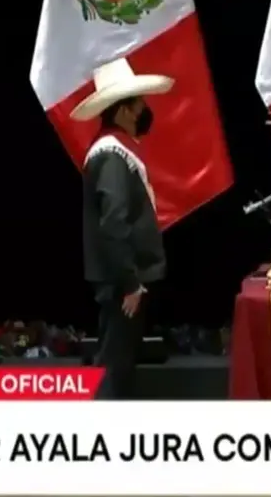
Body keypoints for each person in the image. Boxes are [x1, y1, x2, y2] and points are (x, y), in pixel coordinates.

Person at [71, 57, 170, 400]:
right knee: (115, 366)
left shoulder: (117, 151)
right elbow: (113, 222)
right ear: (124, 111)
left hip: (124, 280)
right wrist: (130, 281)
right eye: (139, 103)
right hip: (122, 283)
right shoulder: (111, 156)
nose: (145, 108)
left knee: (120, 364)